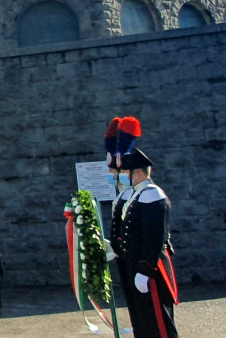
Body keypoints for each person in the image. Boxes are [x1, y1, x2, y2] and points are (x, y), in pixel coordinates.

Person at [118, 147, 178, 338]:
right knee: (143, 317)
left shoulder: (152, 195)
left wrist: (146, 269)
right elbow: (132, 233)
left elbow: (154, 237)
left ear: (136, 172)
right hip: (136, 264)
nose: (122, 176)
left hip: (150, 268)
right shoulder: (138, 194)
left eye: (125, 172)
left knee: (158, 320)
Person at [103, 117, 136, 326]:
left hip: (136, 256)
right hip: (126, 254)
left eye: (114, 172)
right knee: (133, 299)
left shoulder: (134, 195)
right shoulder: (122, 194)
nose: (111, 175)